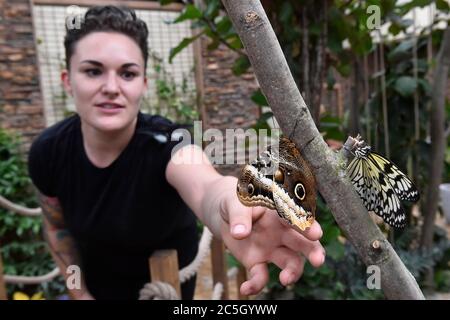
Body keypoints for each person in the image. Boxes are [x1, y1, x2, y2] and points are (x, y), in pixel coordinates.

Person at [28, 5, 325, 300]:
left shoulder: (169, 142)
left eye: (128, 74)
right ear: (68, 81)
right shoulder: (48, 152)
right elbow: (57, 228)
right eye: (93, 71)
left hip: (168, 292)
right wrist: (80, 295)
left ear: (143, 84)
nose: (111, 87)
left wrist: (234, 202)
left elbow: (207, 187)